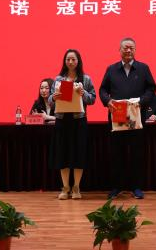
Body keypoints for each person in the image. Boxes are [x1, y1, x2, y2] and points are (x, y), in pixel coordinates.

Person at [99, 37, 156, 199]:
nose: (128, 50)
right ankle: (117, 187)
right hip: (117, 116)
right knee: (117, 153)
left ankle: (136, 187)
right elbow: (103, 90)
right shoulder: (111, 69)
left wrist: (141, 102)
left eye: (131, 48)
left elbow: (151, 89)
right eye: (125, 48)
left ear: (135, 50)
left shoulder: (143, 68)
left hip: (136, 116)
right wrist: (108, 101)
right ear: (120, 50)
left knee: (137, 153)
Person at [48, 49, 96, 200]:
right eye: (68, 59)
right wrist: (53, 97)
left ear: (78, 61)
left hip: (79, 121)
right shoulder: (58, 79)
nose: (70, 62)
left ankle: (76, 187)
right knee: (62, 154)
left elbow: (92, 99)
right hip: (62, 121)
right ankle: (65, 188)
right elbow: (50, 101)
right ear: (64, 61)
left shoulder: (85, 79)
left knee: (78, 154)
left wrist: (83, 93)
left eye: (73, 59)